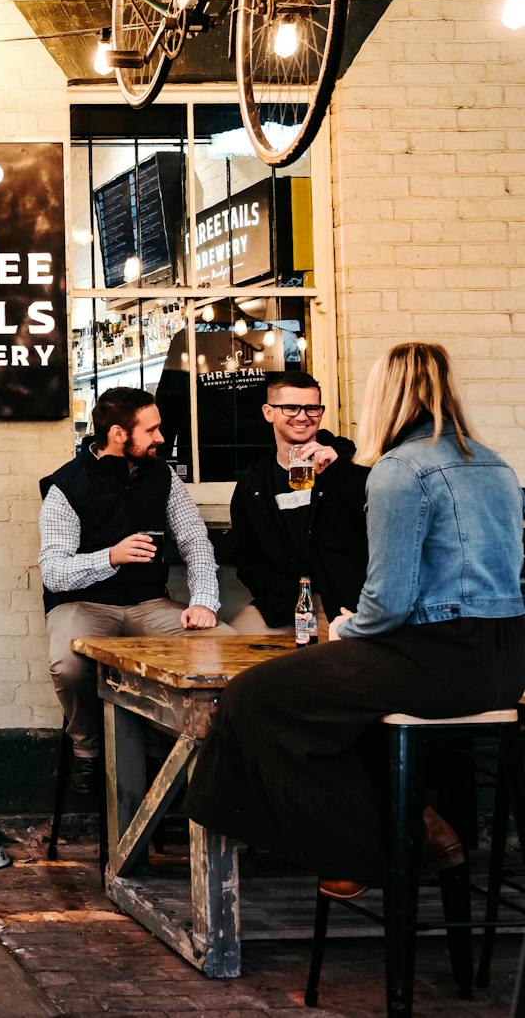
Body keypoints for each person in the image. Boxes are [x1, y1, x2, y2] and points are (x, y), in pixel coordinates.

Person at [187, 342, 525, 897]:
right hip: (505, 660)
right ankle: (418, 826)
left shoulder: (399, 470)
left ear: (385, 395)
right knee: (335, 709)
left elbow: (388, 601)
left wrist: (348, 630)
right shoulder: (494, 462)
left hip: (438, 658)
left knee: (251, 697)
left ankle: (377, 847)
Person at [39, 386, 234, 792]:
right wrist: (110, 556)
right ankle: (88, 751)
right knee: (68, 664)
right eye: (152, 430)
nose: (161, 438)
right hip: (83, 605)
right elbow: (54, 574)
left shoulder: (162, 476)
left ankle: (188, 748)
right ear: (117, 434)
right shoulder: (66, 487)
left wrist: (203, 602)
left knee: (224, 647)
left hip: (150, 604)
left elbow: (196, 541)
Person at [222, 370, 369, 631]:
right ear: (269, 413)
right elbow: (245, 552)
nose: (302, 416)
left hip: (339, 602)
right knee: (228, 645)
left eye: (312, 408)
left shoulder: (349, 465)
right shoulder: (254, 482)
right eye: (290, 408)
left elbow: (374, 526)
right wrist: (278, 591)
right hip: (281, 604)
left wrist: (343, 470)